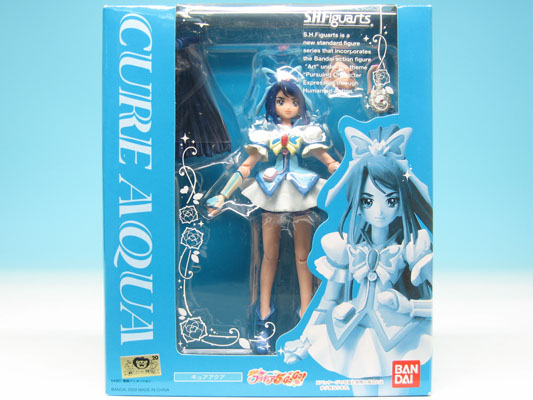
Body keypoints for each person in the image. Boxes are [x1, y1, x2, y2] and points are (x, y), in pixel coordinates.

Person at [283, 124, 432, 389]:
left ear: (401, 204)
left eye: (390, 201)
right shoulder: (345, 248)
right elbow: (328, 299)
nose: (379, 212)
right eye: (367, 201)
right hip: (353, 333)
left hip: (399, 334)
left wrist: (408, 307)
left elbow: (440, 305)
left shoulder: (411, 247)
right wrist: (304, 340)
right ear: (357, 205)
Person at [207, 67, 339, 354]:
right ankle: (263, 315)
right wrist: (223, 195)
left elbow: (327, 160)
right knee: (269, 256)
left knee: (304, 257)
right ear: (272, 103)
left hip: (302, 191)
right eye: (281, 101)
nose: (288, 107)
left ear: (301, 104)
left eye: (293, 101)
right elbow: (246, 166)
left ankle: (306, 314)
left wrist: (345, 173)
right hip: (271, 191)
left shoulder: (308, 132)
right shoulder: (264, 133)